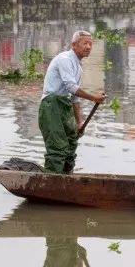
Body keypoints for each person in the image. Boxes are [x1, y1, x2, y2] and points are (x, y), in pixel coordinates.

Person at [39, 30, 106, 173]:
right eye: (85, 43)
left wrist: (79, 122)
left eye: (90, 44)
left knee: (71, 144)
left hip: (64, 106)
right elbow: (71, 87)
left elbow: (74, 99)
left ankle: (67, 178)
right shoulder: (65, 59)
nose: (88, 47)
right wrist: (94, 97)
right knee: (58, 148)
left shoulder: (79, 69)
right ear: (74, 45)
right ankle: (52, 183)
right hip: (51, 105)